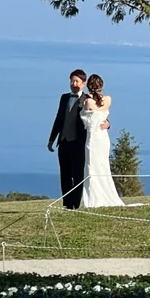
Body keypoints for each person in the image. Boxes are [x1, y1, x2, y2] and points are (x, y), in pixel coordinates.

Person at [47, 70, 109, 209]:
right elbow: (59, 119)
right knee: (65, 174)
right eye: (72, 81)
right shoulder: (64, 98)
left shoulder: (87, 99)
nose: (73, 84)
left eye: (76, 81)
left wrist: (108, 124)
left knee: (78, 174)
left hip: (79, 143)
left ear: (83, 83)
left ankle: (75, 203)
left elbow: (98, 115)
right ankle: (67, 203)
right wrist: (52, 139)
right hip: (63, 142)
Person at [78, 73, 125, 208]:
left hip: (93, 137)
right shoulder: (108, 100)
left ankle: (94, 198)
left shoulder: (88, 102)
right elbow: (101, 115)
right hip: (103, 137)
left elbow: (86, 120)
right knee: (103, 166)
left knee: (92, 166)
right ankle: (105, 195)